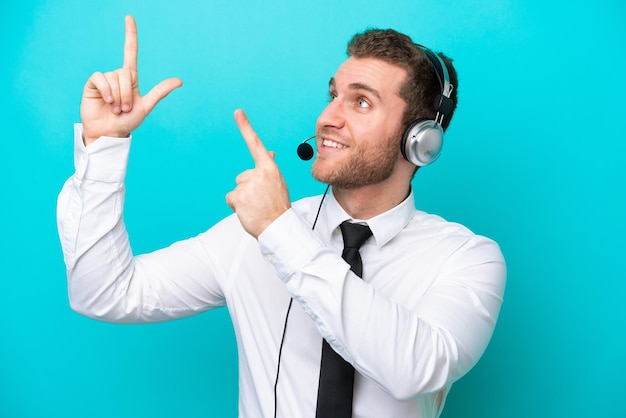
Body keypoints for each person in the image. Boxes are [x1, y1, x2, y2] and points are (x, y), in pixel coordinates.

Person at [57, 15, 506, 418]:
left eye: (361, 102)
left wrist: (279, 232)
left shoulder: (467, 258)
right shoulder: (251, 234)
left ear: (420, 140)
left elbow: (413, 370)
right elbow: (103, 293)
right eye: (333, 95)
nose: (329, 117)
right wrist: (104, 147)